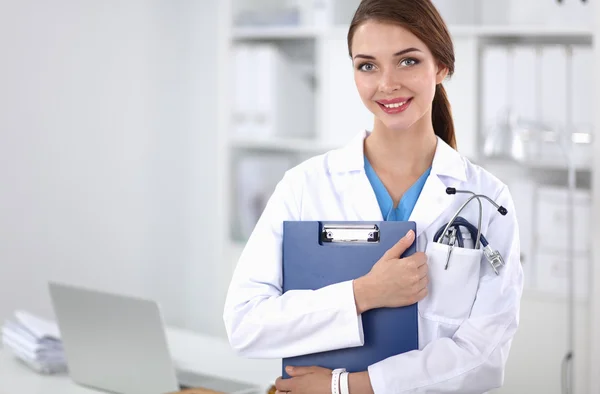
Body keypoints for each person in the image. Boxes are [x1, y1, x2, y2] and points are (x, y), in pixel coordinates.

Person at [223, 0, 524, 392]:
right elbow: (245, 324)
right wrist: (362, 294)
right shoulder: (305, 186)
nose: (387, 84)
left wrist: (345, 387)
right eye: (367, 65)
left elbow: (483, 356)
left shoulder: (487, 199)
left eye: (408, 61)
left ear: (441, 66)